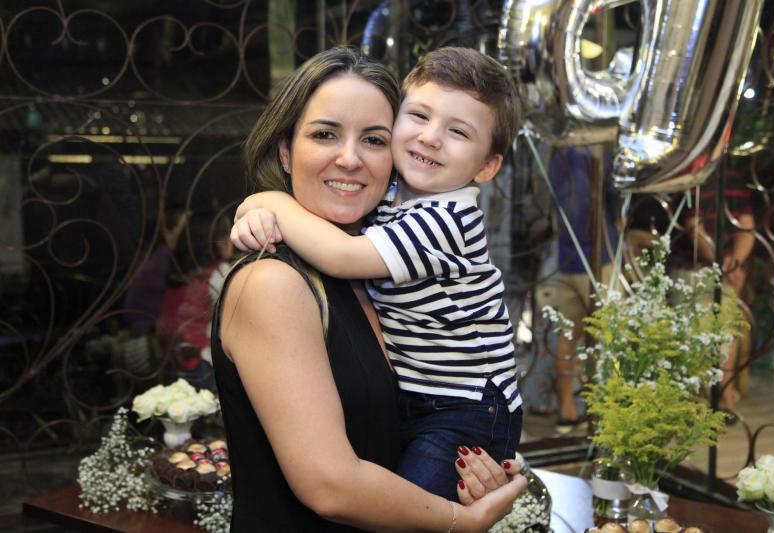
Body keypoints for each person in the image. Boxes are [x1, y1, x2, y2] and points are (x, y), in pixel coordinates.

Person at [215, 46, 526, 531]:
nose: (350, 158)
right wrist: (460, 521)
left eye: (374, 139)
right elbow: (331, 486)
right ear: (284, 151)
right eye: (324, 134)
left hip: (467, 409)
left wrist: (470, 481)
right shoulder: (273, 282)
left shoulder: (379, 254)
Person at [535, 147, 618, 433]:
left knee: (568, 335)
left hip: (567, 256)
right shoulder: (595, 151)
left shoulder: (560, 152)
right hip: (597, 255)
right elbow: (610, 197)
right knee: (608, 334)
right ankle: (606, 412)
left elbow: (553, 203)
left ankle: (567, 410)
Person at [670, 166, 755, 415]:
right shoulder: (689, 176)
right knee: (697, 334)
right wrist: (727, 264)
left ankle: (723, 398)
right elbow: (694, 229)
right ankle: (710, 401)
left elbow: (746, 226)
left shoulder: (730, 176)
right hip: (693, 269)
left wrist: (733, 263)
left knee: (726, 330)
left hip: (723, 269)